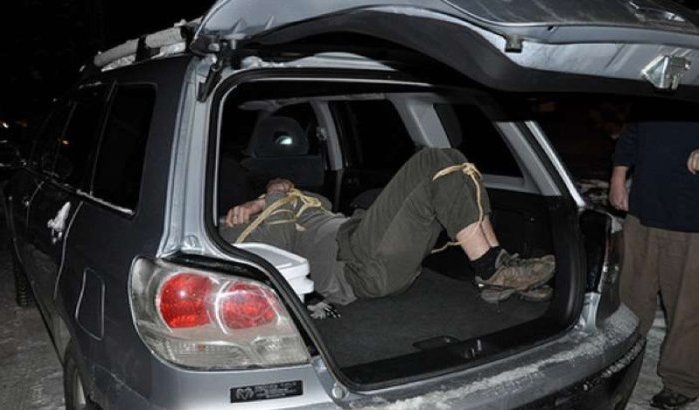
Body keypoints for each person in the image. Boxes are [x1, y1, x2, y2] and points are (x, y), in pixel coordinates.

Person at [220, 148, 555, 307]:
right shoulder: (230, 231)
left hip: (360, 239)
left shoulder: (278, 204)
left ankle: (496, 267)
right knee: (431, 162)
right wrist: (270, 199)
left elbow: (307, 198)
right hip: (354, 265)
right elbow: (277, 254)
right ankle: (490, 269)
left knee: (455, 162)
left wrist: (266, 199)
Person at [609, 116, 699, 409]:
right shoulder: (657, 90)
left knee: (688, 308)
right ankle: (620, 362)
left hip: (691, 219)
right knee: (631, 298)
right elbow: (632, 132)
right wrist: (618, 178)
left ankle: (681, 382)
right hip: (643, 209)